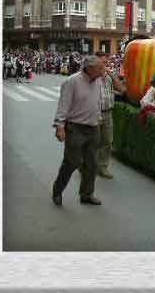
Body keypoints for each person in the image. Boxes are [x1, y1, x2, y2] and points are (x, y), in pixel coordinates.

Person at [51, 55, 105, 206]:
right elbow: (63, 105)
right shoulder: (71, 81)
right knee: (72, 162)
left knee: (92, 163)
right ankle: (57, 190)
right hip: (75, 127)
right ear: (90, 68)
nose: (104, 70)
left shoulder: (99, 81)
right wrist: (60, 127)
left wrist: (99, 118)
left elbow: (97, 102)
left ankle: (86, 194)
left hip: (93, 127)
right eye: (100, 68)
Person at [93, 52, 126, 179]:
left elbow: (122, 90)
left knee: (107, 141)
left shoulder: (109, 77)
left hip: (107, 112)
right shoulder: (91, 77)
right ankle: (87, 165)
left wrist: (111, 74)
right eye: (102, 62)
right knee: (92, 142)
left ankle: (103, 167)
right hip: (93, 113)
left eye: (106, 63)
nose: (105, 65)